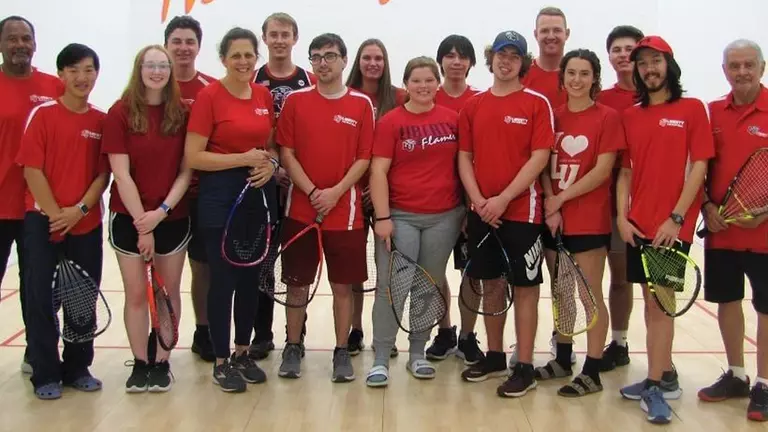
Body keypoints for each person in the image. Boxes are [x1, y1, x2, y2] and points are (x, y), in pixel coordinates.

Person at [616, 35, 713, 424]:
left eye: (655, 62)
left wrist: (675, 218)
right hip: (638, 225)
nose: (649, 69)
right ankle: (660, 374)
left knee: (661, 308)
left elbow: (700, 167)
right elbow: (625, 171)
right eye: (642, 64)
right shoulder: (631, 115)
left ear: (668, 65)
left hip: (670, 229)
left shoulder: (692, 109)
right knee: (652, 304)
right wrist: (623, 218)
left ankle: (656, 386)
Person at [457, 30, 551, 399]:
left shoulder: (536, 103)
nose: (506, 60)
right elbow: (464, 157)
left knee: (525, 290)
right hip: (482, 212)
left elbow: (539, 157)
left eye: (514, 55)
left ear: (523, 62)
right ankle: (495, 356)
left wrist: (504, 198)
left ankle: (524, 365)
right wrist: (480, 200)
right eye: (501, 53)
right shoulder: (474, 106)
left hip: (522, 213)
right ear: (491, 58)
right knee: (491, 284)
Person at [276, 32, 373, 382]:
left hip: (345, 213)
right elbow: (286, 153)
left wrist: (335, 193)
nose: (322, 63)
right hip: (299, 212)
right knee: (297, 284)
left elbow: (364, 158)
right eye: (316, 56)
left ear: (345, 61)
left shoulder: (361, 105)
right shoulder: (295, 102)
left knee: (343, 286)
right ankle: (292, 346)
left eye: (330, 56)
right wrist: (313, 190)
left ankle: (341, 350)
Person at [185, 27, 277, 393]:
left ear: (257, 58)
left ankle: (242, 352)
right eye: (235, 55)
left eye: (248, 55)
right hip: (219, 198)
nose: (243, 61)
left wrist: (270, 164)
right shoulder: (210, 97)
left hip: (256, 197)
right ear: (223, 58)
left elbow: (268, 146)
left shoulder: (263, 95)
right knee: (222, 282)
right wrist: (241, 158)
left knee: (250, 281)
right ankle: (221, 361)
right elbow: (194, 156)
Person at [16, 43, 109, 400]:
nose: (81, 77)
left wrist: (79, 211)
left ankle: (78, 367)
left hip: (85, 224)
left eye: (88, 70)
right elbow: (32, 169)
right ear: (60, 75)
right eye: (73, 70)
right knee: (40, 300)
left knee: (81, 301)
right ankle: (44, 373)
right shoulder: (42, 115)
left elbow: (103, 175)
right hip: (43, 222)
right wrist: (56, 214)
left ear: (96, 74)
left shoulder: (100, 121)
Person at [366, 56, 464, 387]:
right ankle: (381, 357)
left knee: (428, 287)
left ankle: (418, 354)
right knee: (392, 289)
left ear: (437, 83)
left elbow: (463, 167)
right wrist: (382, 217)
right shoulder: (391, 122)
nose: (423, 86)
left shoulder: (453, 120)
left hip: (444, 218)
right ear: (405, 85)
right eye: (416, 80)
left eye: (428, 80)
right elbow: (378, 170)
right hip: (400, 217)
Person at [102, 44, 192, 393]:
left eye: (163, 65)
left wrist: (161, 213)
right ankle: (140, 362)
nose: (157, 71)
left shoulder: (181, 113)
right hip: (129, 217)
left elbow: (186, 172)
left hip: (171, 216)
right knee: (137, 294)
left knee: (167, 292)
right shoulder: (120, 113)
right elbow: (120, 175)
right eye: (150, 65)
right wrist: (143, 223)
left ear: (170, 72)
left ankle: (162, 362)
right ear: (139, 69)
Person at [535, 49, 624, 397]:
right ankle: (562, 357)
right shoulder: (553, 116)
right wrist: (550, 203)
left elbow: (602, 171)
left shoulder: (607, 117)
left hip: (588, 220)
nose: (576, 80)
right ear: (563, 77)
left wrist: (561, 199)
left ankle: (593, 369)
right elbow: (543, 165)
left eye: (584, 74)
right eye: (571, 73)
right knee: (561, 293)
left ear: (594, 78)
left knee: (589, 296)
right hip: (555, 220)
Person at [698, 39, 768, 422]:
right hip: (722, 230)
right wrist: (707, 207)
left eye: (748, 64)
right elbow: (700, 169)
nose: (742, 71)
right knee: (728, 302)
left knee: (765, 308)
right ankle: (737, 375)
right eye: (734, 65)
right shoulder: (712, 114)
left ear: (762, 66)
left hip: (764, 235)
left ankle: (765, 384)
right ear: (725, 69)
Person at [249, 12, 316, 361]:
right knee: (262, 263)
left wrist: (295, 170)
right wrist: (272, 166)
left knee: (295, 267)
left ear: (295, 38)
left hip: (298, 188)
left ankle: (296, 334)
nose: (279, 40)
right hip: (262, 186)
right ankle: (261, 334)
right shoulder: (252, 80)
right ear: (264, 38)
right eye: (273, 34)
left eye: (285, 34)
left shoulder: (310, 80)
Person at [0, 15, 63, 374]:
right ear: (1, 44)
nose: (20, 44)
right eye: (12, 39)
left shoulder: (53, 86)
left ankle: (37, 352)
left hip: (37, 207)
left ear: (35, 44)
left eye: (26, 38)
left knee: (37, 286)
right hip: (0, 205)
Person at [344, 38, 406, 358]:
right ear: (358, 61)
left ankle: (386, 333)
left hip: (388, 198)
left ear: (385, 63)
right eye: (367, 57)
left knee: (389, 269)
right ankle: (355, 330)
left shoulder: (399, 98)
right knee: (354, 269)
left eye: (378, 58)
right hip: (352, 196)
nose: (372, 63)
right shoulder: (345, 96)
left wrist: (379, 189)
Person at [425, 34, 485, 366]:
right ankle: (444, 331)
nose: (456, 61)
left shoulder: (480, 100)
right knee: (435, 272)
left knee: (472, 274)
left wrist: (471, 203)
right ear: (441, 61)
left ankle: (467, 336)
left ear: (471, 63)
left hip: (471, 204)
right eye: (449, 55)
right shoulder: (426, 96)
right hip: (434, 204)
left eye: (463, 56)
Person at [163, 14, 216, 362]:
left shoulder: (212, 89)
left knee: (202, 267)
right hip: (162, 198)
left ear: (198, 46)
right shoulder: (153, 86)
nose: (183, 48)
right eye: (177, 41)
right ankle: (159, 342)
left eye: (189, 42)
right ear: (166, 45)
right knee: (166, 274)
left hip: (202, 195)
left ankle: (204, 330)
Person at [596, 24, 645, 372]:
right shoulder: (604, 100)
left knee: (632, 280)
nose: (623, 54)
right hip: (608, 204)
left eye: (630, 48)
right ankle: (614, 343)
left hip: (649, 206)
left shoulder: (659, 96)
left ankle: (623, 340)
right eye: (617, 49)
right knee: (615, 277)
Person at [520, 6, 570, 109]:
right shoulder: (521, 74)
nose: (551, 36)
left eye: (557, 30)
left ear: (567, 34)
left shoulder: (578, 77)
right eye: (544, 31)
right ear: (535, 34)